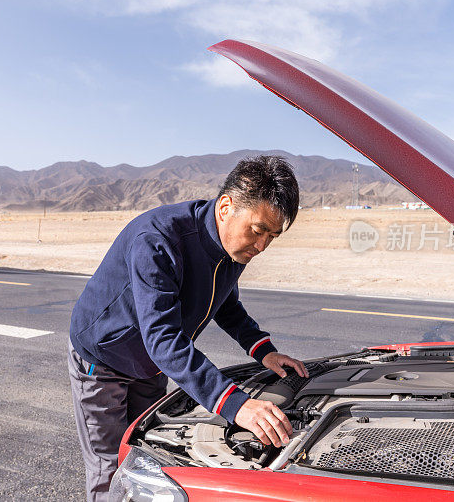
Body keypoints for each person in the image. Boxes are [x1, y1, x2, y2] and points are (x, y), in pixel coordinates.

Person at [67, 155, 307, 501]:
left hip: (150, 365)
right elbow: (163, 338)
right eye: (257, 230)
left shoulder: (231, 248)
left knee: (146, 459)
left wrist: (264, 351)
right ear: (226, 207)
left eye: (272, 236)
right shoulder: (159, 239)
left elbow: (223, 302)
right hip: (102, 359)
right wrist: (235, 404)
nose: (261, 246)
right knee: (110, 472)